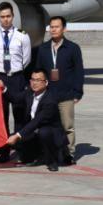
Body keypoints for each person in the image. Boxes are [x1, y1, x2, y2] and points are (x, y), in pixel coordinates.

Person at [0, 2, 31, 164]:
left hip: (17, 78)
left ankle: (21, 151)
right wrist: (0, 72)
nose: (5, 20)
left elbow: (26, 59)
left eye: (8, 16)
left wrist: (15, 71)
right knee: (1, 117)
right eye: (2, 17)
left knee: (20, 116)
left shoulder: (22, 35)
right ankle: (3, 151)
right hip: (0, 78)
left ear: (13, 16)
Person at [34, 16, 85, 164]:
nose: (53, 29)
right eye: (51, 27)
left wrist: (78, 92)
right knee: (46, 125)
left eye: (57, 27)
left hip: (66, 94)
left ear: (64, 29)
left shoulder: (73, 48)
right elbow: (39, 71)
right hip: (48, 95)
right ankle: (48, 153)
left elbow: (79, 72)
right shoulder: (43, 48)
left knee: (67, 126)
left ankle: (69, 154)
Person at [4, 69, 68, 171]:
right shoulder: (29, 92)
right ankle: (38, 155)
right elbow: (16, 98)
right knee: (25, 156)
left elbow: (37, 121)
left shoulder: (50, 100)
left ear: (46, 82)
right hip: (36, 129)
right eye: (33, 80)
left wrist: (17, 136)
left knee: (43, 132)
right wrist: (4, 88)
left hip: (51, 132)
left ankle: (52, 161)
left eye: (38, 80)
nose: (34, 83)